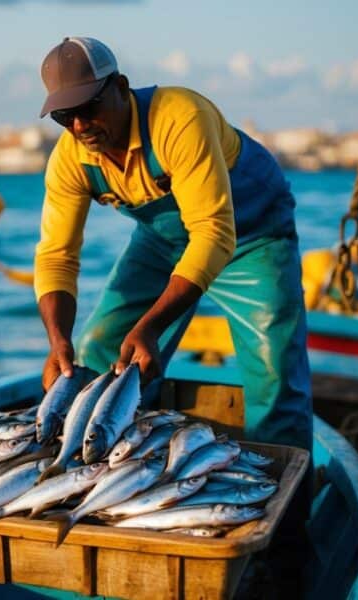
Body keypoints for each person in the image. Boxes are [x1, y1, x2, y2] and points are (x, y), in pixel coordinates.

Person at [34, 37, 312, 451]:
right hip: (163, 244)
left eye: (89, 108)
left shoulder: (179, 118)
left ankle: (288, 505)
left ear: (122, 86)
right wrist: (58, 340)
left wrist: (150, 326)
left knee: (275, 381)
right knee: (96, 353)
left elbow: (214, 234)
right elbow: (57, 255)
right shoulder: (70, 160)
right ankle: (111, 467)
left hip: (252, 239)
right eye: (64, 115)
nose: (79, 126)